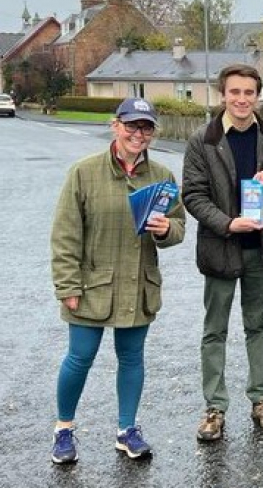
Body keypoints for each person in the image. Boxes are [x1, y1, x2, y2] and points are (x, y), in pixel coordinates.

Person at [50, 97, 186, 463]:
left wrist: (165, 229)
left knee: (132, 359)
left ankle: (127, 430)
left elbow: (179, 228)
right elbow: (65, 234)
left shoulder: (162, 176)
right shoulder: (84, 172)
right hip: (91, 285)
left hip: (138, 284)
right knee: (79, 358)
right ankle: (63, 429)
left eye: (146, 128)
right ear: (115, 126)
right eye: (131, 126)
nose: (138, 134)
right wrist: (67, 285)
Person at [182, 64, 263, 442]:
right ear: (223, 95)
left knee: (257, 326)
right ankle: (214, 407)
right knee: (215, 330)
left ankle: (261, 400)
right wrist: (229, 224)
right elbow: (193, 195)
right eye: (235, 92)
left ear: (257, 95)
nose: (243, 99)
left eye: (249, 92)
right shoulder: (203, 139)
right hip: (221, 247)